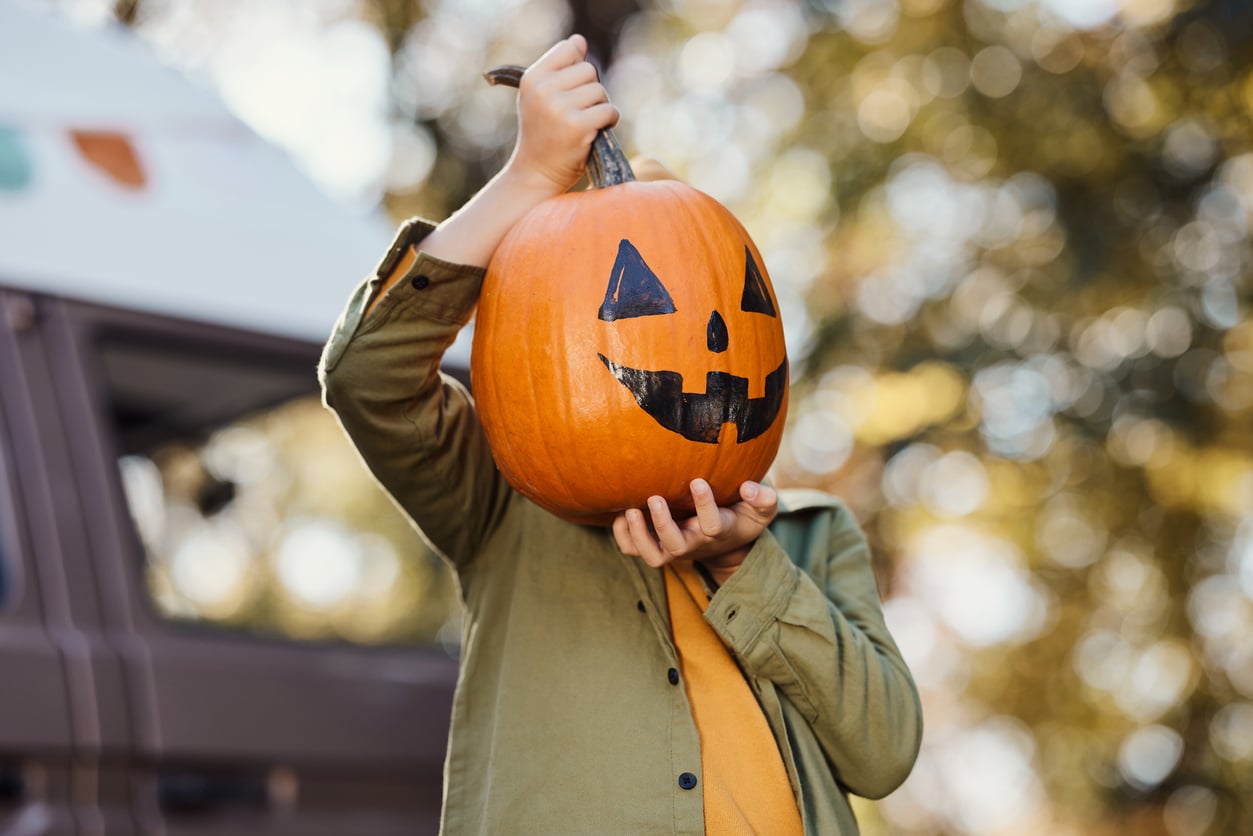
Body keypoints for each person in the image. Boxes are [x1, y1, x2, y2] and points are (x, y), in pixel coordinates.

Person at [319, 34, 922, 836]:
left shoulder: (812, 536)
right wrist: (528, 178)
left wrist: (739, 562)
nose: (701, 342)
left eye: (725, 297)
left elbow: (883, 754)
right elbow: (364, 378)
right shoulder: (500, 506)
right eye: (641, 305)